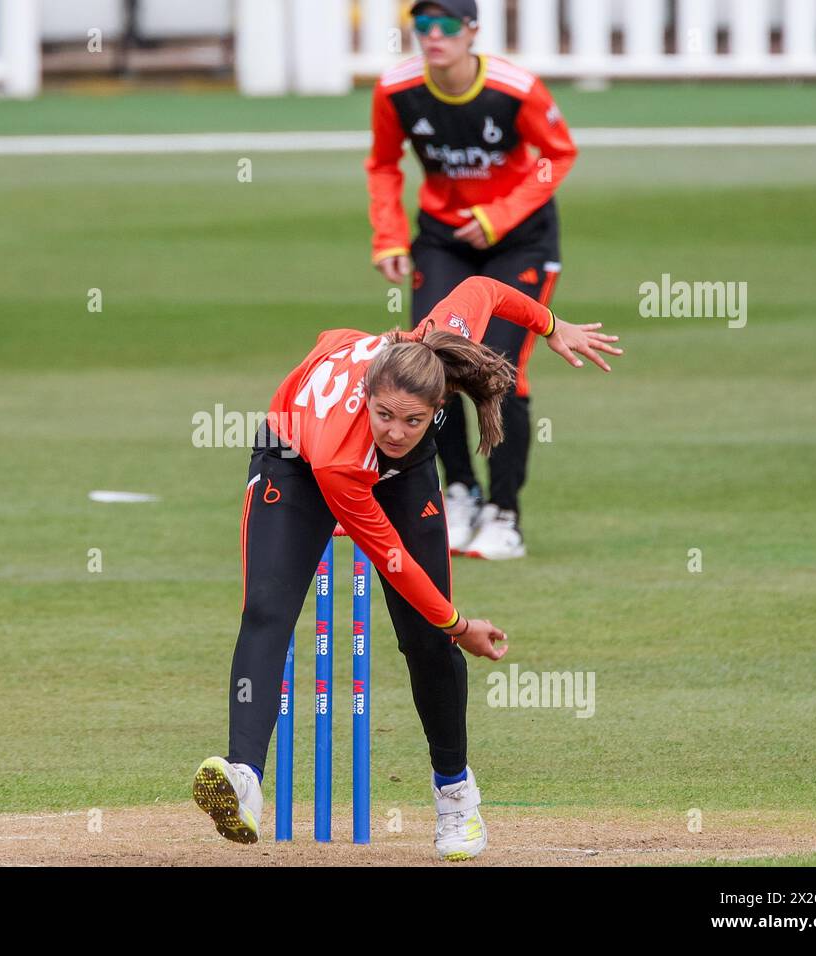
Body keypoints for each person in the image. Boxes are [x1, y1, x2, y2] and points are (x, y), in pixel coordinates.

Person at [193, 276, 620, 859]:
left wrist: (550, 326)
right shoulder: (345, 459)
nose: (395, 429)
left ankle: (455, 795)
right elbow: (390, 560)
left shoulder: (438, 341)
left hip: (398, 477)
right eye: (385, 415)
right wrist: (460, 624)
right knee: (267, 609)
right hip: (296, 456)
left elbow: (484, 288)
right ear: (369, 394)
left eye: (412, 420)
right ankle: (244, 778)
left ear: (437, 406)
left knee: (423, 640)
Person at [367, 0, 578, 560]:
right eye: (424, 26)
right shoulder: (395, 90)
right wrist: (388, 236)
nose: (433, 37)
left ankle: (506, 515)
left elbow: (557, 156)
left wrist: (499, 216)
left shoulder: (515, 89)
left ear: (472, 32)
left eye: (446, 27)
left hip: (520, 239)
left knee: (498, 368)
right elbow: (384, 164)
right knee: (430, 362)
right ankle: (458, 492)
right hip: (443, 239)